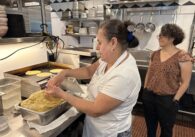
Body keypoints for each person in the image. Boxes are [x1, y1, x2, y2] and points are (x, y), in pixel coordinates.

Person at [46, 19, 141, 137]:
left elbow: (96, 109)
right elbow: (89, 71)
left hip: (110, 132)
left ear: (113, 43)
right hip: (96, 127)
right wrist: (64, 73)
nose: (96, 47)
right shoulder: (109, 58)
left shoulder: (124, 74)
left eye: (100, 42)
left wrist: (62, 94)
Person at [142, 23, 193, 137]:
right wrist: (145, 90)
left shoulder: (183, 56)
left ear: (173, 38)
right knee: (150, 128)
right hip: (149, 96)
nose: (160, 37)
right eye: (159, 35)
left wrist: (175, 100)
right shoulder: (154, 54)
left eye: (163, 35)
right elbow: (149, 72)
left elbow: (185, 82)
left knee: (166, 130)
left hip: (167, 99)